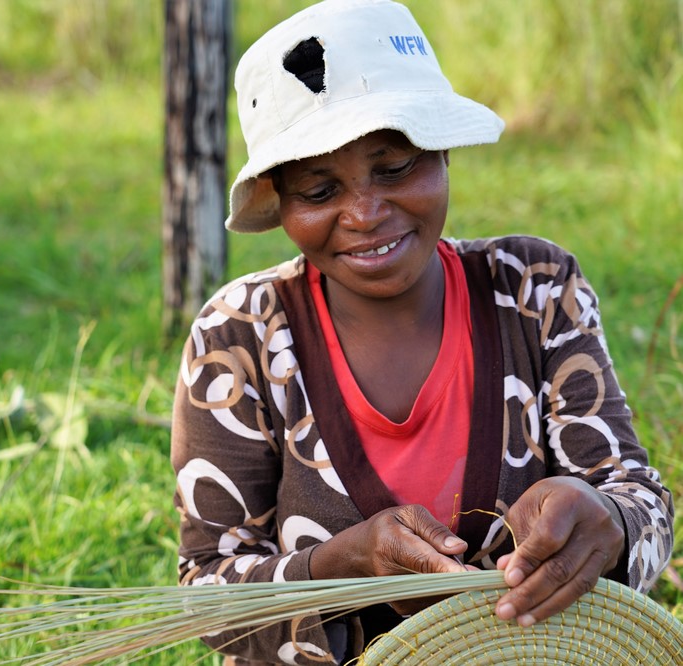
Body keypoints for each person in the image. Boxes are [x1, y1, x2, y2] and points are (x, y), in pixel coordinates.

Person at [169, 1, 675, 664]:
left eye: (395, 168)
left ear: (441, 150)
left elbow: (638, 498)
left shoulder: (534, 289)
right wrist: (341, 562)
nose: (364, 213)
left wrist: (604, 519)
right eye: (319, 191)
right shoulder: (239, 338)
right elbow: (208, 599)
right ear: (279, 200)